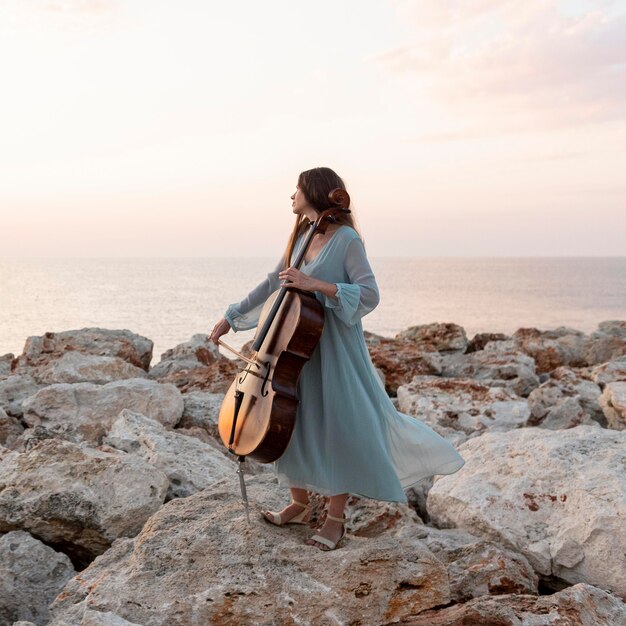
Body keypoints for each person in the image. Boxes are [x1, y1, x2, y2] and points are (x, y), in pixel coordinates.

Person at [210, 167, 464, 551]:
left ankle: (335, 519)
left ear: (314, 192)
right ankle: (297, 504)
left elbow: (369, 293)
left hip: (332, 348)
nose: (291, 197)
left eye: (296, 189)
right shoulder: (300, 234)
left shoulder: (347, 240)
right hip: (291, 344)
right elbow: (272, 282)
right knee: (291, 420)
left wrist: (315, 284)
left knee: (337, 426)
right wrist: (231, 317)